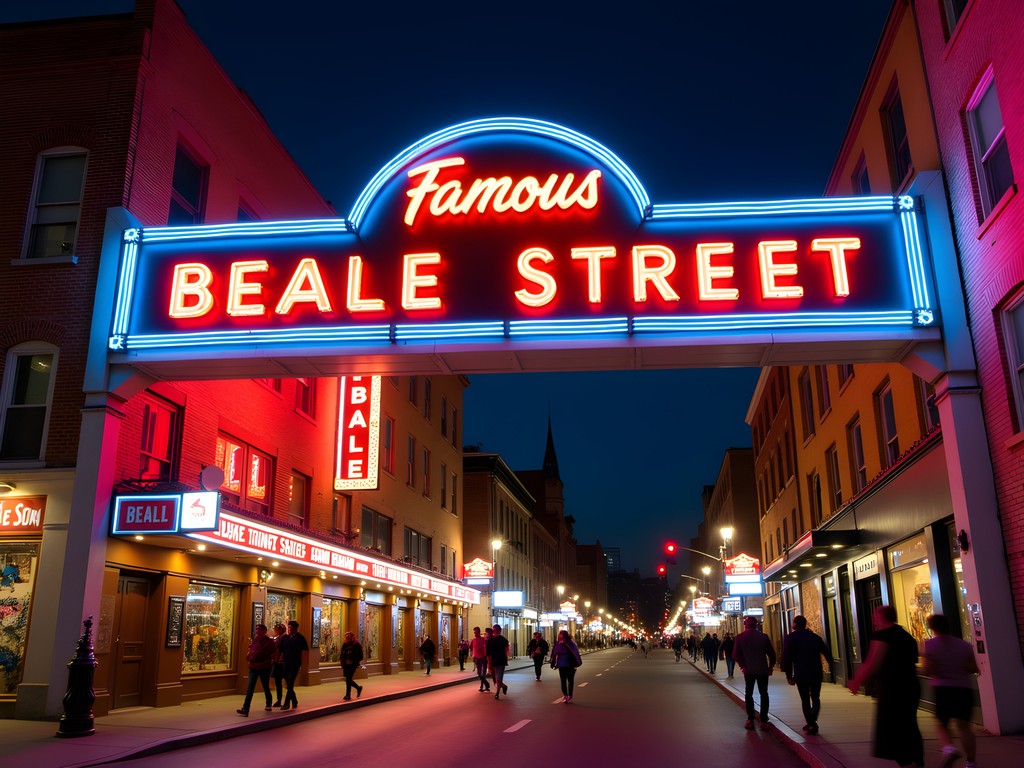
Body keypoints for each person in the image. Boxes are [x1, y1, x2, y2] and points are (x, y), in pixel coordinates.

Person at [848, 604, 924, 767]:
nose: (873, 618)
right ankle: (917, 759)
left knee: (892, 725)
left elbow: (872, 662)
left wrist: (857, 681)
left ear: (882, 617)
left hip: (893, 687)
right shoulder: (906, 636)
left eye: (876, 615)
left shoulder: (883, 635)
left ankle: (906, 762)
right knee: (909, 723)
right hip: (911, 685)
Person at [922, 614, 979, 768]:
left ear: (932, 628)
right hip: (964, 689)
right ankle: (970, 762)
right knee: (965, 727)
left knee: (942, 724)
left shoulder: (929, 645)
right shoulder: (964, 645)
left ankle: (949, 748)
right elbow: (973, 668)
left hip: (943, 689)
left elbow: (928, 670)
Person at [781, 615, 834, 735]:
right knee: (815, 697)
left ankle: (811, 723)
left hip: (801, 673)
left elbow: (787, 659)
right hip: (816, 672)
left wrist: (789, 676)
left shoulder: (790, 638)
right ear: (805, 624)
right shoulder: (815, 637)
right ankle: (812, 721)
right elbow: (827, 653)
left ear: (794, 624)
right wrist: (832, 669)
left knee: (805, 699)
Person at [732, 615, 777, 730]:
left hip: (749, 670)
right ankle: (763, 719)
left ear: (745, 625)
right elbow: (772, 654)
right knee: (764, 693)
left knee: (749, 694)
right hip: (762, 669)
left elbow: (735, 655)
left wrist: (743, 665)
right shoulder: (763, 637)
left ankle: (750, 719)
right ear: (756, 625)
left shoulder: (740, 637)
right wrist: (770, 666)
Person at [237, 624, 277, 715]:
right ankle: (246, 708)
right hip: (253, 667)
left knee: (265, 686)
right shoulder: (255, 640)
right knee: (250, 688)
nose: (257, 631)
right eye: (256, 629)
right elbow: (251, 650)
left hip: (264, 668)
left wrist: (269, 662)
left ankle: (268, 703)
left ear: (264, 631)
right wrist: (249, 658)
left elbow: (274, 654)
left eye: (259, 630)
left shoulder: (269, 642)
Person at [279, 619, 309, 711]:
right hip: (286, 663)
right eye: (289, 627)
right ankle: (294, 700)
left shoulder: (300, 638)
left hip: (295, 663)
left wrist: (302, 663)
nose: (290, 629)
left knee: (291, 682)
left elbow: (305, 651)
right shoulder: (285, 638)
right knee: (288, 683)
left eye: (292, 627)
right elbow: (280, 650)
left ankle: (287, 703)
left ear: (296, 628)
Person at [549, 629, 582, 703]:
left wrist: (565, 645)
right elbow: (554, 654)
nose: (560, 637)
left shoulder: (570, 643)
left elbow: (574, 653)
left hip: (570, 665)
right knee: (563, 680)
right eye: (559, 636)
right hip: (561, 665)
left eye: (561, 636)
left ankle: (569, 695)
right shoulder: (558, 644)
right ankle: (566, 695)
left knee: (570, 680)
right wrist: (553, 662)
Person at [486, 624, 510, 700]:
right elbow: (489, 653)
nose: (495, 631)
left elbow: (489, 653)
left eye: (496, 630)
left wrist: (489, 662)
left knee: (498, 677)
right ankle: (503, 686)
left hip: (499, 660)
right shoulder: (499, 640)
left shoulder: (501, 640)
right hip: (497, 660)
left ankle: (497, 692)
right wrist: (489, 663)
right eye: (494, 630)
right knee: (496, 678)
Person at [340, 630, 364, 700]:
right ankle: (358, 688)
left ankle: (348, 694)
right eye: (346, 637)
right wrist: (343, 662)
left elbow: (360, 656)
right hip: (346, 665)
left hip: (352, 665)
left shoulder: (356, 645)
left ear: (352, 637)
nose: (347, 638)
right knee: (347, 679)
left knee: (348, 678)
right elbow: (342, 655)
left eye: (349, 637)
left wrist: (352, 660)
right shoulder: (345, 645)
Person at [469, 626, 490, 692]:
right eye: (474, 632)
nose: (475, 633)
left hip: (483, 657)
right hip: (477, 658)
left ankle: (482, 686)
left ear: (479, 632)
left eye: (476, 632)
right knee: (479, 673)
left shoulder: (483, 639)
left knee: (483, 673)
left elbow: (486, 645)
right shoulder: (473, 640)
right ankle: (486, 684)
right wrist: (474, 655)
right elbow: (471, 647)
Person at [270, 623, 286, 707]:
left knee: (282, 682)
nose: (274, 631)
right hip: (277, 662)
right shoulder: (278, 638)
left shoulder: (284, 638)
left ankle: (283, 700)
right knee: (278, 682)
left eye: (276, 629)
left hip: (281, 663)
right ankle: (279, 700)